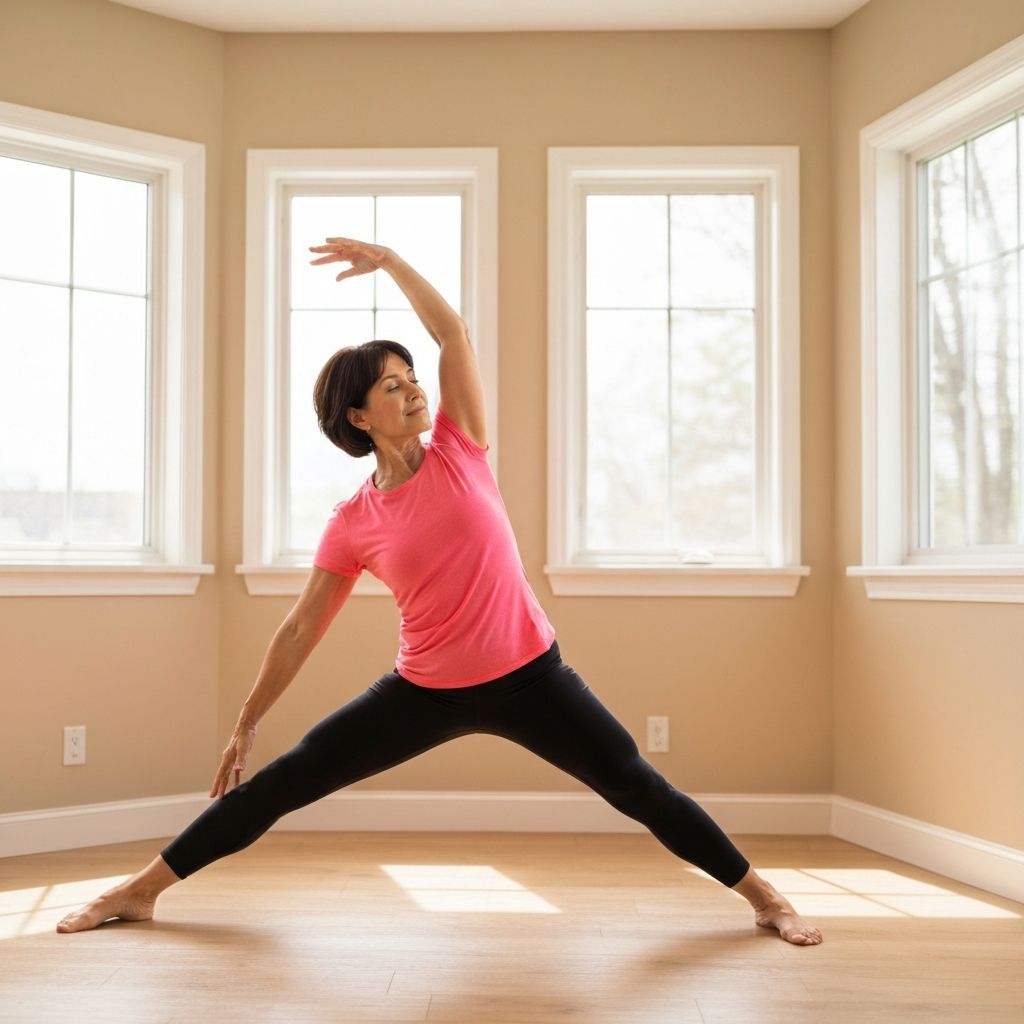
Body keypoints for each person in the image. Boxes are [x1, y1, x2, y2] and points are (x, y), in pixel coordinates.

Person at [57, 238, 822, 946]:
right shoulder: (354, 521)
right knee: (288, 778)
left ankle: (766, 900)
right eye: (393, 387)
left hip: (534, 676)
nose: (414, 392)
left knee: (636, 785)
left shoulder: (462, 448)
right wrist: (246, 722)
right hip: (424, 690)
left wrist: (388, 260)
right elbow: (299, 630)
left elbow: (453, 334)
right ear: (359, 417)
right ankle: (140, 891)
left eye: (411, 378)